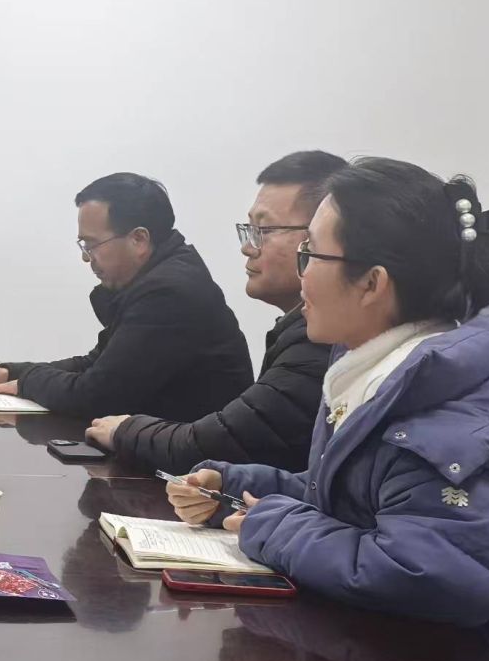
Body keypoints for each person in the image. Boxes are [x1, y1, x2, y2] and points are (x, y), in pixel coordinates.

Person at [167, 157, 489, 661]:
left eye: (310, 253)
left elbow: (430, 573)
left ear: (372, 283)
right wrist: (237, 488)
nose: (300, 273)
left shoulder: (456, 412)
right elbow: (361, 501)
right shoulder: (392, 372)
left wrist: (275, 527)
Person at [85, 151, 343, 471]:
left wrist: (125, 430)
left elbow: (225, 442)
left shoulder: (322, 342)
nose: (248, 247)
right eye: (249, 229)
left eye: (263, 230)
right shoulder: (297, 331)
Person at [0, 173, 252, 420]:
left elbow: (96, 395)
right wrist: (9, 372)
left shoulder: (170, 293)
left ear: (139, 239)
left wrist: (25, 383)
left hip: (194, 465)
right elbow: (96, 365)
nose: (87, 258)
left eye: (92, 245)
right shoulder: (153, 280)